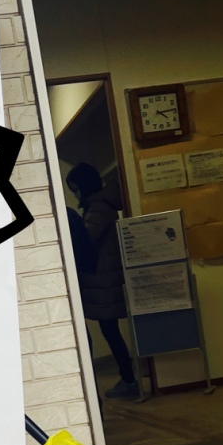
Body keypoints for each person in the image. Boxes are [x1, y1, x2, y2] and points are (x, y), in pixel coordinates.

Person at [65, 161, 139, 400]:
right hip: (106, 280)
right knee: (111, 331)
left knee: (110, 331)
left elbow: (87, 239)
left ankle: (129, 379)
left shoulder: (98, 207)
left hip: (103, 281)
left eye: (75, 188)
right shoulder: (100, 204)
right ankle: (129, 378)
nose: (75, 194)